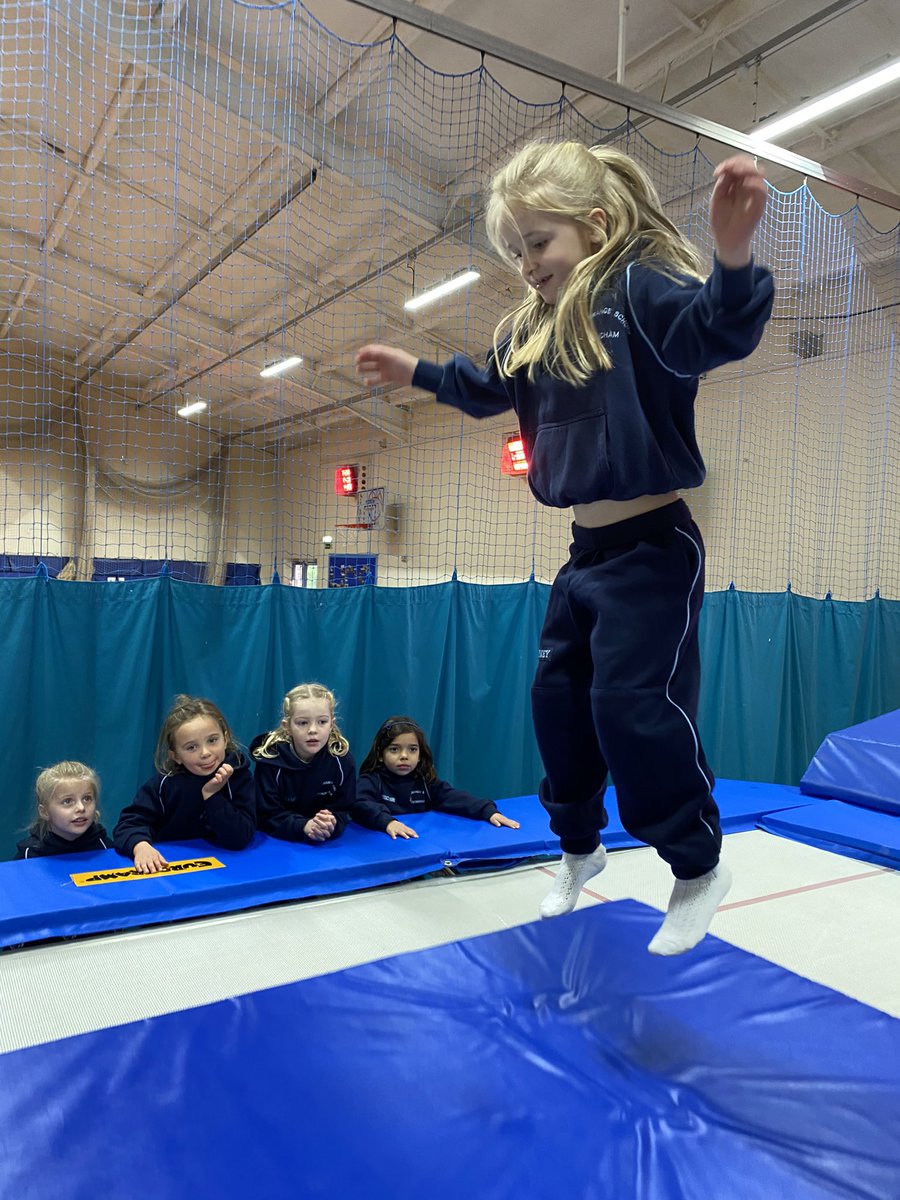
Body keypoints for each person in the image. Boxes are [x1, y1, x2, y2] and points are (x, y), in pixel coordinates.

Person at [356, 142, 773, 954]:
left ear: (596, 224)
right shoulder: (532, 326)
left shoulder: (638, 288)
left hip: (655, 551)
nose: (527, 263)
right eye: (515, 251)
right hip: (583, 557)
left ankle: (697, 866)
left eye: (538, 243)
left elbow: (714, 335)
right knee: (557, 706)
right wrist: (420, 372)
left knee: (632, 706)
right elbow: (486, 388)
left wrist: (731, 253)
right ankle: (579, 848)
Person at [113, 695, 256, 873]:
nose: (205, 753)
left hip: (229, 873)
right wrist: (141, 846)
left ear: (225, 739)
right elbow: (128, 824)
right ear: (176, 756)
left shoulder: (239, 775)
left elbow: (240, 838)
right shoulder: (165, 784)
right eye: (191, 747)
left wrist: (212, 797)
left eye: (212, 740)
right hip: (174, 875)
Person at [352, 716, 521, 839]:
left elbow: (453, 797)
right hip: (383, 854)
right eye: (394, 749)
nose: (404, 756)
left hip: (417, 850)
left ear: (420, 755)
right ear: (381, 754)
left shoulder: (425, 782)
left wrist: (487, 811)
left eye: (412, 749)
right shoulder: (372, 781)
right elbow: (359, 803)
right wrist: (388, 822)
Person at [251, 683, 356, 843]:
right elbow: (267, 815)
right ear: (287, 727)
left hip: (327, 846)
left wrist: (330, 823)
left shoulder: (342, 761)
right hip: (278, 845)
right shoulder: (270, 762)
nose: (313, 730)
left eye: (322, 722)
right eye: (302, 723)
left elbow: (343, 809)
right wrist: (304, 826)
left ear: (332, 724)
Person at [16, 761, 112, 858]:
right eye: (67, 801)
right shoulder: (30, 855)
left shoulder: (105, 847)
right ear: (44, 812)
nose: (81, 808)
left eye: (87, 799)